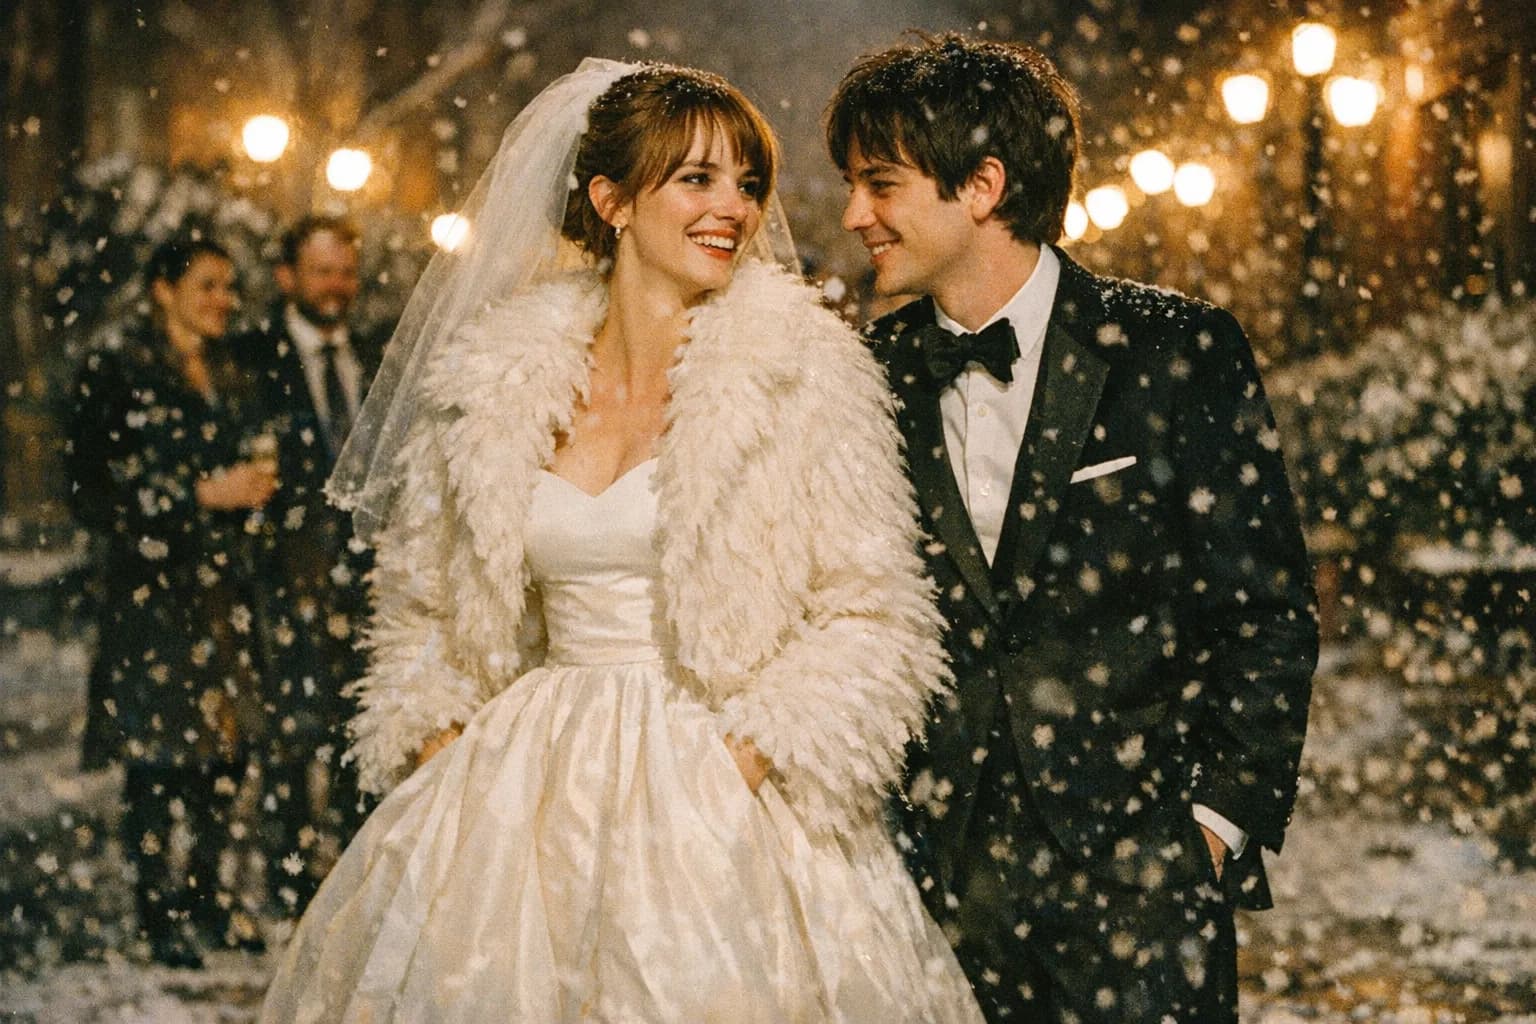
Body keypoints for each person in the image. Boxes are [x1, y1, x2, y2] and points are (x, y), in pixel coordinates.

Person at [260, 59, 983, 1022]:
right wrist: (445, 757)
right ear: (611, 199)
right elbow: (422, 604)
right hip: (518, 802)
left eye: (747, 182)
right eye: (697, 178)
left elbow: (875, 612)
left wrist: (743, 763)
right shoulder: (494, 383)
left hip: (727, 801)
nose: (734, 207)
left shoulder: (803, 372)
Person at [826, 34, 1318, 1023]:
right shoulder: (858, 378)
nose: (854, 216)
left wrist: (1212, 827)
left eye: (881, 184)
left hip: (1143, 890)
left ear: (983, 185)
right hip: (933, 899)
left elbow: (1265, 613)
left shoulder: (1177, 350)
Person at [67, 236, 279, 967]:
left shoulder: (228, 367)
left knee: (228, 753)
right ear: (163, 289)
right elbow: (91, 490)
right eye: (208, 285)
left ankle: (209, 896)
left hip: (225, 589)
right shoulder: (118, 367)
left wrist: (252, 491)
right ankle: (159, 912)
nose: (224, 300)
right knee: (159, 759)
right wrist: (193, 496)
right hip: (154, 593)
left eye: (229, 287)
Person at [231, 215, 378, 917]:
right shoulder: (250, 361)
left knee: (363, 734)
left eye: (345, 271)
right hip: (283, 576)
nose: (337, 287)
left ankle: (355, 881)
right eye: (322, 271)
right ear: (287, 277)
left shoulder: (376, 356)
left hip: (370, 579)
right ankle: (291, 885)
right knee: (291, 740)